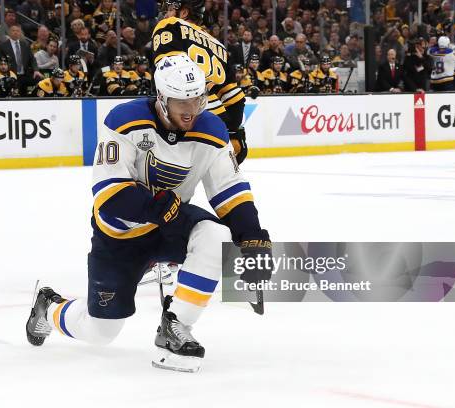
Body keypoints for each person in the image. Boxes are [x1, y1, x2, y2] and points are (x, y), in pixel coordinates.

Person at [25, 54, 272, 373]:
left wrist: (250, 235)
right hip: (120, 236)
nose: (191, 109)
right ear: (161, 97)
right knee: (100, 332)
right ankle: (48, 308)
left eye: (198, 99)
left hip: (170, 224)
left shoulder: (212, 129)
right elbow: (107, 194)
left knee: (217, 235)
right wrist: (155, 206)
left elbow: (229, 187)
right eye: (182, 101)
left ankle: (175, 326)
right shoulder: (124, 120)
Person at [152, 0, 248, 164]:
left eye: (169, 10)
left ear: (184, 13)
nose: (166, 14)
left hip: (185, 115)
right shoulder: (218, 45)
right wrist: (233, 132)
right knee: (224, 185)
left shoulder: (170, 24)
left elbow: (171, 72)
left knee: (167, 181)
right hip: (216, 123)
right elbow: (235, 97)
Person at [0, 24, 43, 96]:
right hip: (11, 75)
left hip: (25, 74)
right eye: (13, 30)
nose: (15, 32)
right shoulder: (2, 46)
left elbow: (32, 59)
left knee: (39, 79)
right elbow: (0, 62)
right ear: (9, 32)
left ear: (20, 33)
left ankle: (34, 100)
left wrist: (36, 70)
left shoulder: (25, 44)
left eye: (18, 31)